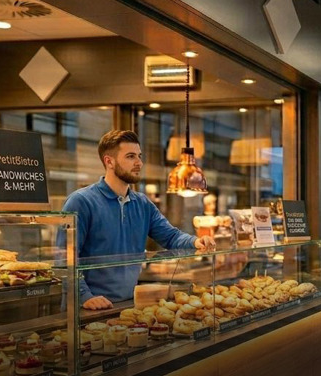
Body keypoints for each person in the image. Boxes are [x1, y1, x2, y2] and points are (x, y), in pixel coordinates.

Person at [59, 130, 213, 310]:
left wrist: (196, 241)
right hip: (86, 308)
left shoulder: (142, 203)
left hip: (128, 304)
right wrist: (84, 296)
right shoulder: (81, 201)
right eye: (130, 156)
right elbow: (64, 258)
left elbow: (171, 237)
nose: (139, 163)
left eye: (139, 156)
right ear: (109, 161)